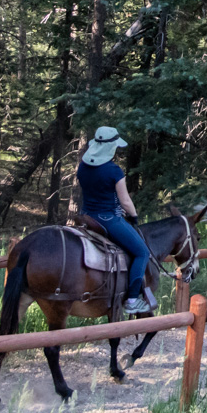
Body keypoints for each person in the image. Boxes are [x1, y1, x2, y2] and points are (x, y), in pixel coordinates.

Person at [76, 126, 151, 314]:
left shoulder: (83, 166)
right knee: (142, 252)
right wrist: (134, 216)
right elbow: (125, 201)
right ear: (111, 148)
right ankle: (132, 300)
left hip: (86, 217)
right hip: (107, 219)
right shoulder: (114, 171)